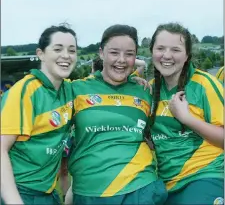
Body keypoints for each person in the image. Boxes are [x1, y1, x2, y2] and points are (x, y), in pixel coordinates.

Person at [66, 24, 168, 205]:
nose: (121, 60)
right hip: (90, 191)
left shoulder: (144, 90)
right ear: (101, 53)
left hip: (140, 188)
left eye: (129, 54)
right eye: (114, 52)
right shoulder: (75, 89)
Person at [145, 22, 224, 205]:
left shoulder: (205, 85)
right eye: (160, 48)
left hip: (204, 175)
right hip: (166, 184)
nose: (166, 55)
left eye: (175, 50)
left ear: (187, 55)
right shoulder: (151, 89)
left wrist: (186, 118)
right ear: (152, 51)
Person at [1, 24, 77, 205]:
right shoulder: (25, 91)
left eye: (72, 50)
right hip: (21, 191)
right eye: (58, 49)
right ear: (41, 53)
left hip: (49, 193)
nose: (66, 55)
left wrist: (133, 77)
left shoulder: (70, 89)